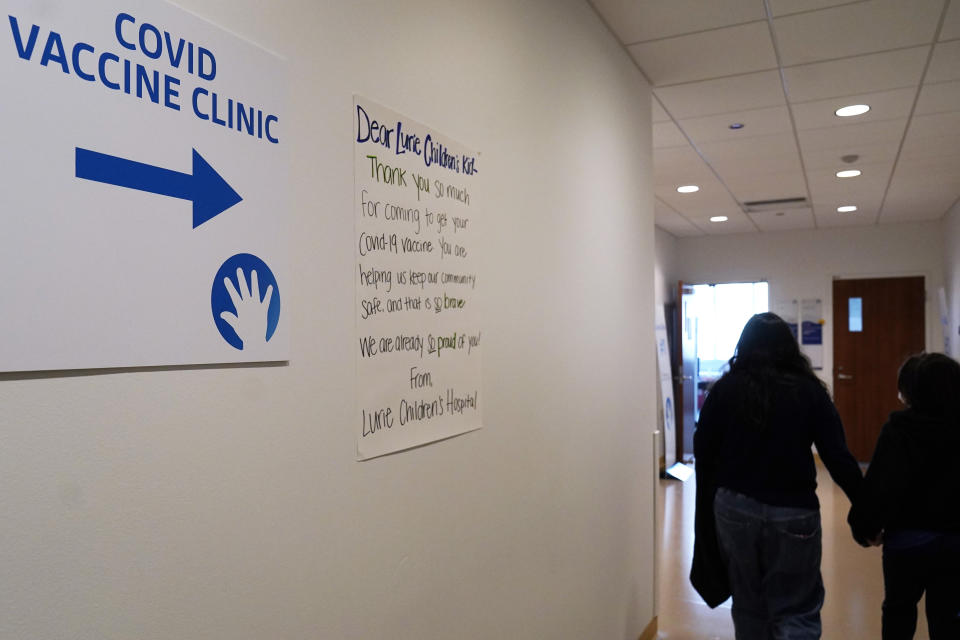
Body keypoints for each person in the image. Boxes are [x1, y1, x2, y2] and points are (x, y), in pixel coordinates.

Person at [691, 312, 863, 638]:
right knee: (796, 610)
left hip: (734, 510)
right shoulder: (810, 391)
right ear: (789, 347)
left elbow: (703, 449)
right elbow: (837, 456)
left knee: (749, 606)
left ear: (744, 346)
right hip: (794, 512)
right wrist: (867, 510)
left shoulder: (726, 389)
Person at [849, 353, 960, 639]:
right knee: (947, 614)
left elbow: (880, 485)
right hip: (955, 540)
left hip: (907, 541)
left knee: (899, 611)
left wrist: (865, 529)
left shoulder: (899, 429)